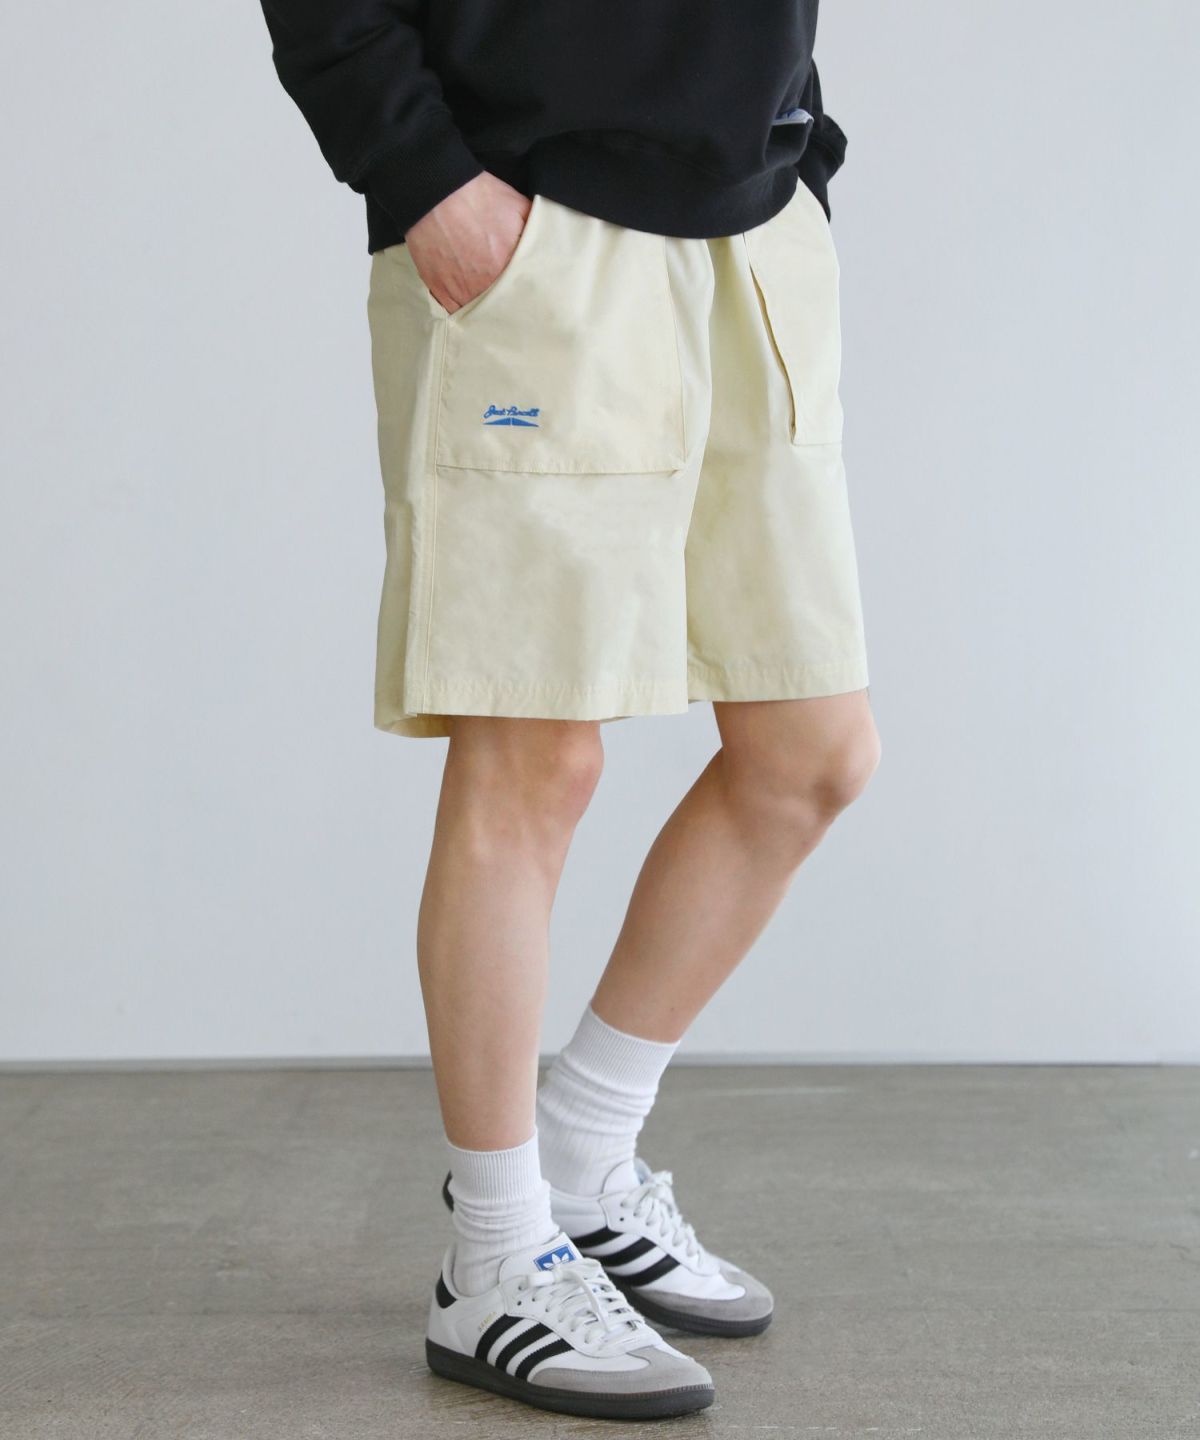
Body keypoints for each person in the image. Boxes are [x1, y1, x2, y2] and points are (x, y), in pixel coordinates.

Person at [258, 0, 881, 1421]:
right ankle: (492, 1254)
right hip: (531, 226)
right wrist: (425, 181)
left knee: (811, 754)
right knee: (535, 758)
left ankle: (586, 1152)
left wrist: (801, 148)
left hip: (754, 231)